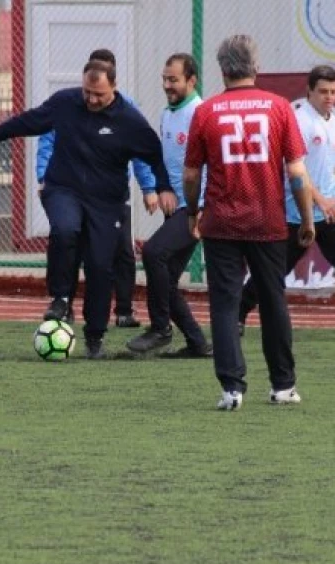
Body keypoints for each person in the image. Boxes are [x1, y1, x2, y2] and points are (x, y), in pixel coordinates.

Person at [0, 60, 176, 359]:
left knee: (99, 266)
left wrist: (163, 187)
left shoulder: (129, 120)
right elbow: (32, 120)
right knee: (66, 228)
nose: (91, 99)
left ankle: (95, 338)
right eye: (87, 92)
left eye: (99, 95)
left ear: (114, 89)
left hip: (106, 203)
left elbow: (154, 155)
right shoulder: (66, 102)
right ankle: (61, 298)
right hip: (63, 188)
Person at [183, 34, 316, 410]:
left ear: (222, 69)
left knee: (224, 304)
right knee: (273, 300)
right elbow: (296, 171)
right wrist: (306, 218)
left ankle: (232, 388)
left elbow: (191, 174)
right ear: (256, 67)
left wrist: (193, 211)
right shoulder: (278, 108)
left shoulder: (206, 111)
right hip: (267, 220)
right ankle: (283, 386)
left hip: (221, 221)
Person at [238, 66, 335, 342]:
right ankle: (238, 313)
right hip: (299, 212)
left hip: (333, 211)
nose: (329, 97)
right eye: (323, 91)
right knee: (273, 271)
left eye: (333, 92)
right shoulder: (299, 121)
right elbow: (294, 168)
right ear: (309, 91)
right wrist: (319, 199)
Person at [36, 48, 155, 328]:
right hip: (75, 190)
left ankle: (122, 310)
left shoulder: (127, 108)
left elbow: (140, 152)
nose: (94, 97)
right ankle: (64, 303)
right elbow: (48, 137)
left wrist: (148, 186)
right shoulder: (71, 106)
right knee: (69, 240)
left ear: (113, 80)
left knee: (120, 253)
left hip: (112, 196)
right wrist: (43, 176)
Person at [124, 52, 213, 358]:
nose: (167, 85)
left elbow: (212, 166)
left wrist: (201, 211)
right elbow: (167, 161)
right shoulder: (168, 113)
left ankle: (161, 329)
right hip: (177, 208)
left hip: (197, 208)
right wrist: (163, 189)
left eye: (173, 80)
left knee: (153, 253)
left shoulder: (201, 114)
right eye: (164, 79)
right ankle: (198, 343)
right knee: (167, 279)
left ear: (192, 80)